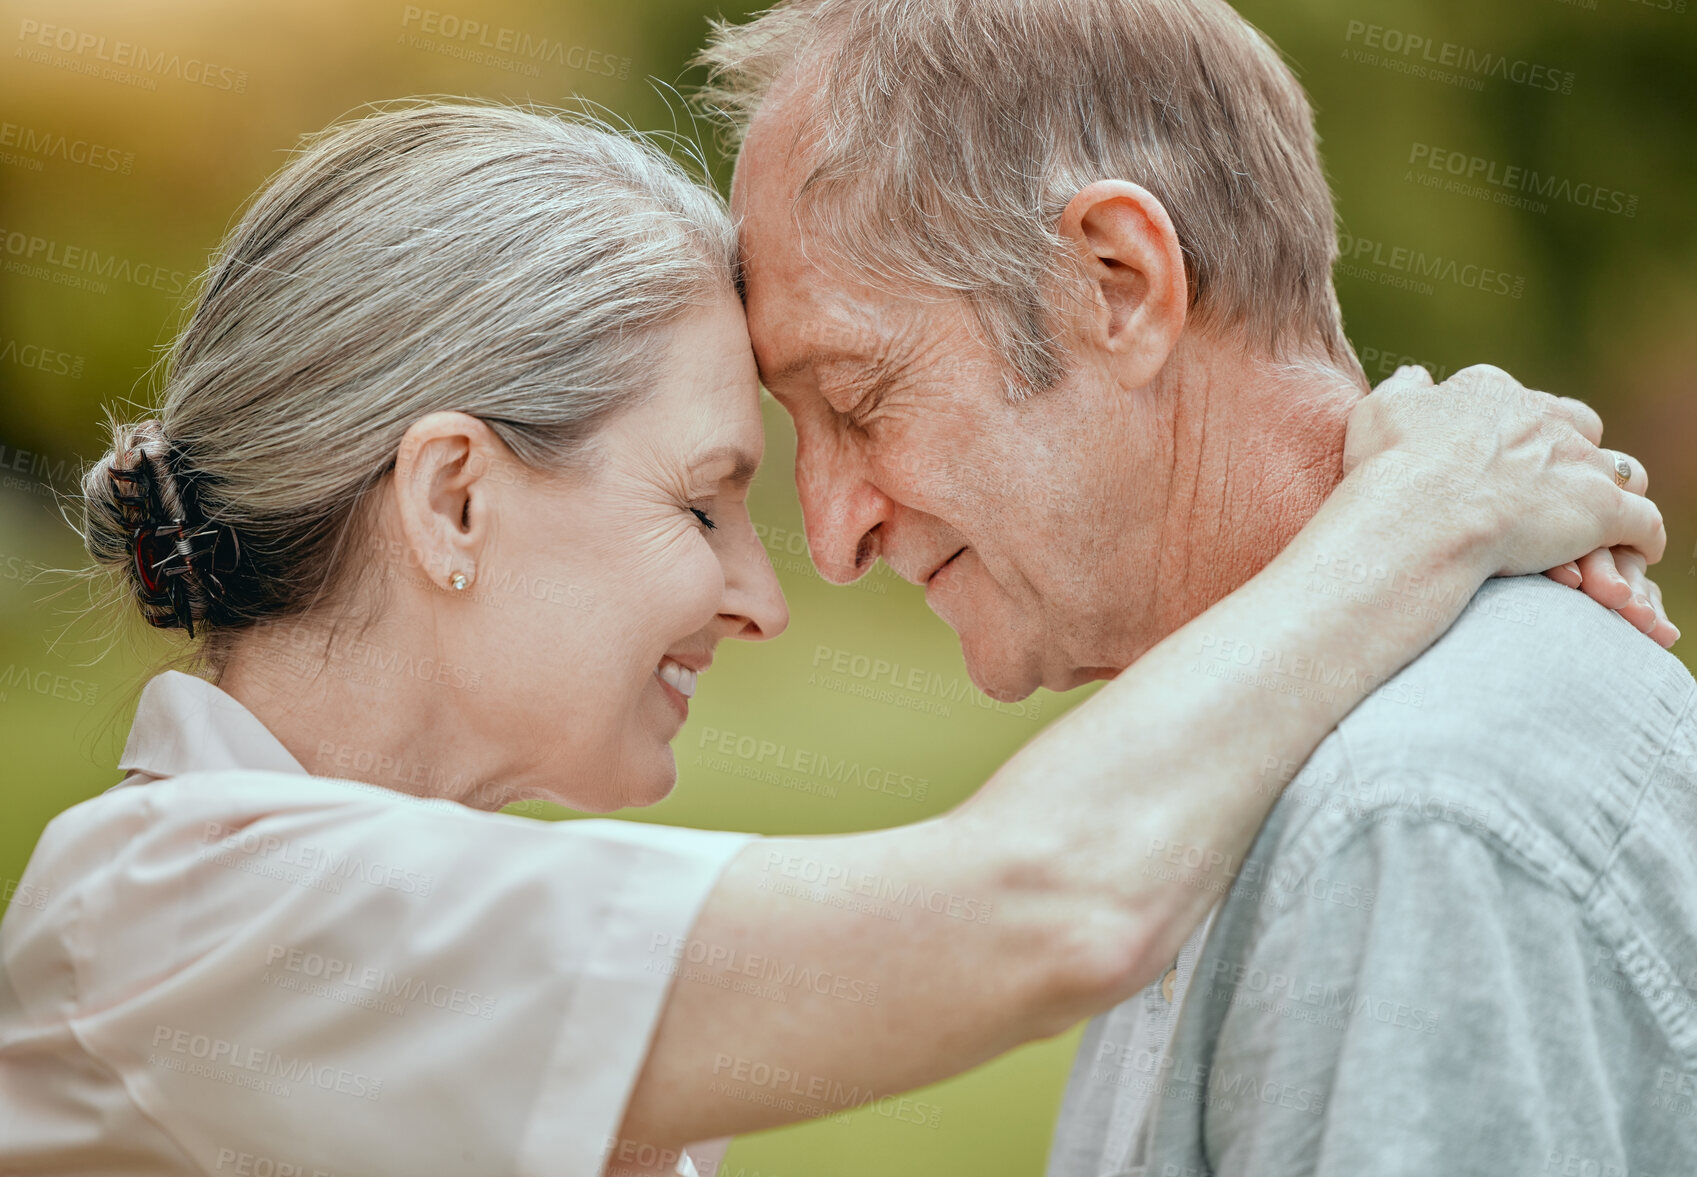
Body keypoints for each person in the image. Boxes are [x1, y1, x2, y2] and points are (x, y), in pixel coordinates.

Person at [0, 101, 1666, 1177]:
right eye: (706, 500)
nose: (767, 591)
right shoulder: (193, 923)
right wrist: (1416, 512)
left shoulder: (367, 915)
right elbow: (1043, 901)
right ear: (449, 502)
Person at [700, 0, 1696, 1173]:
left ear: (1116, 283)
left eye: (859, 399)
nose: (830, 535)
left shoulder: (1397, 826)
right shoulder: (1235, 775)